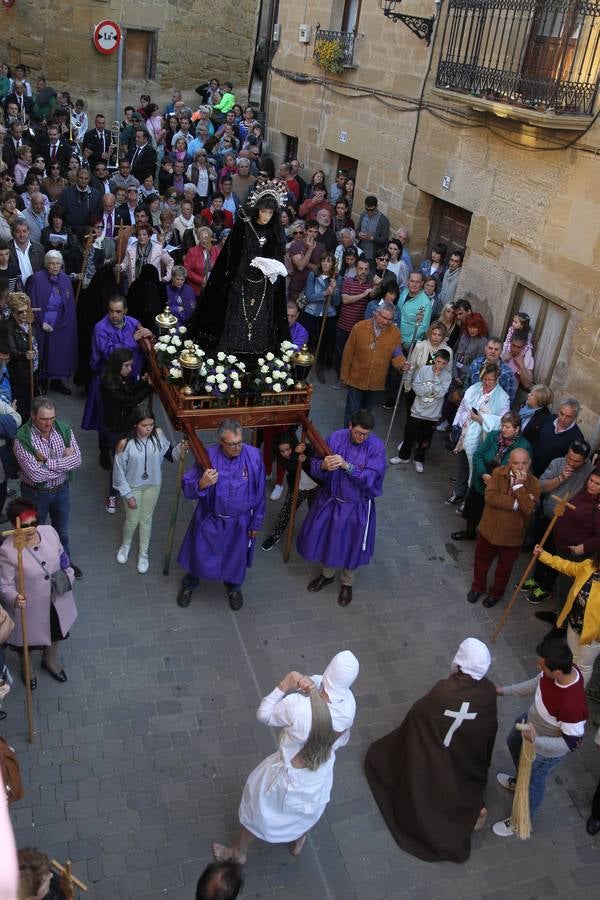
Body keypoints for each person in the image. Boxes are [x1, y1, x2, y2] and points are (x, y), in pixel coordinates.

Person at [212, 651, 359, 863]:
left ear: (328, 671)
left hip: (287, 776)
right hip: (319, 772)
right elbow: (340, 737)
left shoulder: (297, 708)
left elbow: (264, 714)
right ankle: (298, 839)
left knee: (258, 811)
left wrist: (286, 683)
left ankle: (237, 853)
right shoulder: (349, 707)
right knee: (305, 812)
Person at [365, 637, 496, 862]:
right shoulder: (488, 691)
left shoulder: (443, 692)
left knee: (400, 766)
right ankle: (473, 810)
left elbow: (418, 717)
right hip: (464, 754)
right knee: (460, 782)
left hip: (433, 750)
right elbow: (487, 728)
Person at [493, 637, 587, 838]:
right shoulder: (558, 674)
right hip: (531, 725)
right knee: (512, 742)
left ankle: (521, 820)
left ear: (558, 672)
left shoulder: (572, 706)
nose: (538, 666)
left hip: (543, 750)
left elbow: (570, 744)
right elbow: (537, 683)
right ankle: (519, 781)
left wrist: (536, 741)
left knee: (533, 783)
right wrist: (504, 691)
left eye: (542, 665)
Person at [190, 182, 289, 359]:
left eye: (270, 212)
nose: (266, 216)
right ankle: (232, 351)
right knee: (237, 317)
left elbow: (278, 256)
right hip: (242, 281)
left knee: (260, 319)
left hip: (264, 284)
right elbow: (232, 254)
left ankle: (256, 353)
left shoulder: (275, 232)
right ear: (257, 209)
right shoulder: (244, 225)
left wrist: (273, 268)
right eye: (263, 211)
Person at [297, 410, 386, 607]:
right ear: (350, 427)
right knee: (328, 539)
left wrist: (347, 466)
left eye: (366, 434)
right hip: (332, 500)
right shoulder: (336, 438)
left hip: (357, 506)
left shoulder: (376, 447)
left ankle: (347, 582)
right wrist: (323, 466)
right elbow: (315, 464)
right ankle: (327, 575)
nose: (361, 437)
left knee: (353, 545)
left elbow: (371, 477)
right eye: (358, 433)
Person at [176, 419, 266, 611]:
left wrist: (256, 523)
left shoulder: (254, 456)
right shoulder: (207, 456)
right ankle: (189, 583)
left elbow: (260, 493)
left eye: (240, 442)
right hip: (210, 518)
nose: (238, 447)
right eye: (232, 444)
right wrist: (202, 483)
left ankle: (233, 587)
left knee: (235, 557)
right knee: (199, 553)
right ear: (221, 443)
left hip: (239, 521)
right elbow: (187, 487)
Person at [0, 498, 77, 689]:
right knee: (27, 644)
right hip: (30, 608)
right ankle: (28, 669)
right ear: (14, 525)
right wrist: (14, 598)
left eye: (34, 523)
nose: (31, 529)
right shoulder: (8, 551)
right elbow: (4, 585)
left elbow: (63, 557)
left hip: (56, 599)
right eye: (25, 526)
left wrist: (69, 574)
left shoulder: (49, 532)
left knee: (56, 633)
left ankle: (49, 661)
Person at [13, 397, 83, 579]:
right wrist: (63, 464)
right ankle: (40, 569)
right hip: (36, 494)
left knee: (63, 532)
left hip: (61, 491)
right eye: (44, 419)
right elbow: (36, 476)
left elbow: (77, 460)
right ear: (33, 416)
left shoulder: (64, 430)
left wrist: (47, 463)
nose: (49, 423)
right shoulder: (22, 439)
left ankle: (64, 563)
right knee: (36, 533)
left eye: (52, 418)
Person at [81, 296, 152, 467]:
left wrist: (149, 335)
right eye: (111, 311)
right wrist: (132, 340)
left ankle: (123, 446)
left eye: (118, 311)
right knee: (106, 418)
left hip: (130, 378)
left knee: (126, 415)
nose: (114, 315)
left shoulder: (134, 323)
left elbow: (144, 343)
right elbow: (110, 354)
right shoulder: (100, 328)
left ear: (125, 311)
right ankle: (104, 450)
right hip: (107, 380)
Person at [113, 407, 183, 574]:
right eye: (144, 425)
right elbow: (118, 471)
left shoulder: (158, 435)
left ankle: (143, 554)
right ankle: (126, 544)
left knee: (147, 519)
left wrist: (182, 446)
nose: (148, 428)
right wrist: (127, 494)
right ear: (135, 425)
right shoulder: (124, 443)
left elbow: (171, 455)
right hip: (132, 486)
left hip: (153, 485)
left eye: (151, 424)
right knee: (132, 519)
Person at [468, 448, 540, 608]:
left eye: (524, 463)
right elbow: (490, 497)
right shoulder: (498, 473)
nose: (520, 467)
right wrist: (516, 504)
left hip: (512, 536)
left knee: (504, 569)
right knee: (481, 561)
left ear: (529, 463)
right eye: (515, 463)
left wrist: (519, 488)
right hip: (489, 529)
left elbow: (529, 509)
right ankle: (477, 587)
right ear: (509, 463)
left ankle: (496, 593)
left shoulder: (534, 484)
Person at [524, 461, 598, 608]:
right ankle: (558, 616)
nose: (592, 485)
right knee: (559, 579)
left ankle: (561, 624)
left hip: (574, 553)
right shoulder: (583, 493)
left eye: (597, 484)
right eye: (591, 480)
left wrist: (581, 548)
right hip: (561, 545)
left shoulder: (598, 506)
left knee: (566, 589)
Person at [452, 412, 532, 541]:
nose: (503, 429)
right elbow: (478, 454)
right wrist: (483, 474)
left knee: (492, 512)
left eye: (507, 427)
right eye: (502, 426)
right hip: (482, 477)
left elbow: (519, 469)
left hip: (502, 483)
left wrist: (494, 480)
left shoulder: (524, 446)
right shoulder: (494, 436)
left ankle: (488, 538)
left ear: (516, 429)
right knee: (473, 507)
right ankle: (470, 532)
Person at [531, 542, 600, 685]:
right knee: (573, 657)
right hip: (573, 624)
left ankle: (576, 692)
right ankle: (568, 683)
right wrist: (543, 555)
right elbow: (567, 566)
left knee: (584, 666)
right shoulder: (588, 566)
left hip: (593, 636)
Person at [446, 363, 510, 506]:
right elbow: (463, 407)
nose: (487, 383)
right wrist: (456, 425)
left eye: (490, 380)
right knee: (462, 464)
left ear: (497, 379)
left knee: (475, 469)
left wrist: (482, 419)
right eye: (484, 379)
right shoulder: (474, 389)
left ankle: (467, 501)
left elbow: (502, 421)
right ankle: (458, 493)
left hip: (483, 438)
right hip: (465, 433)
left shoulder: (503, 398)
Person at [100, 348, 152, 514]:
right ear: (118, 366)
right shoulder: (110, 385)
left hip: (125, 424)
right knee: (119, 464)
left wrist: (143, 381)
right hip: (116, 428)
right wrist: (149, 387)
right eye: (127, 366)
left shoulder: (120, 378)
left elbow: (130, 389)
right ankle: (112, 495)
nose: (130, 369)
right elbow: (129, 400)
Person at [340, 302, 407, 426]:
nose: (385, 322)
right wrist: (344, 376)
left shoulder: (395, 333)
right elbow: (348, 353)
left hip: (376, 382)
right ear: (376, 313)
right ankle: (346, 438)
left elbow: (397, 353)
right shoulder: (359, 328)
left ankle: (361, 438)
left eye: (389, 319)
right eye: (383, 317)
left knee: (367, 415)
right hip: (356, 379)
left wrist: (402, 364)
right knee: (352, 412)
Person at [389, 349, 452, 472]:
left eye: (443, 363)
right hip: (417, 411)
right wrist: (431, 388)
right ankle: (403, 457)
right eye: (438, 361)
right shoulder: (424, 370)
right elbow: (416, 388)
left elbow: (441, 393)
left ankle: (419, 459)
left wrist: (436, 379)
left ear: (447, 363)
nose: (439, 365)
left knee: (425, 440)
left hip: (433, 415)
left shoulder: (447, 377)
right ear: (434, 359)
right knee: (409, 435)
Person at [28, 250, 77, 394]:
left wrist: (64, 322)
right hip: (42, 321)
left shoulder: (66, 279)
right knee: (43, 352)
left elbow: (69, 304)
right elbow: (32, 302)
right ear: (46, 264)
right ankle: (41, 382)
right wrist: (41, 321)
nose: (55, 266)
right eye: (51, 263)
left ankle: (57, 381)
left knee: (59, 352)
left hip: (61, 322)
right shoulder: (36, 278)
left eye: (58, 264)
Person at [261, 433, 320, 552]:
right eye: (282, 451)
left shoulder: (307, 449)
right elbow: (292, 467)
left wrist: (306, 460)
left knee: (316, 513)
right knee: (286, 512)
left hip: (315, 487)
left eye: (288, 449)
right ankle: (276, 535)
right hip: (297, 488)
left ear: (294, 445)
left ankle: (316, 537)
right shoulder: (283, 458)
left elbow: (318, 465)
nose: (285, 453)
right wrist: (295, 454)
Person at [0, 291, 38, 421]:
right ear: (13, 312)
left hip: (30, 371)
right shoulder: (7, 327)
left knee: (30, 404)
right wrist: (24, 355)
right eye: (20, 312)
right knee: (21, 405)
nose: (24, 314)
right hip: (18, 374)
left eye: (26, 311)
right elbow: (10, 350)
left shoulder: (29, 323)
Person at [530, 398, 584, 477]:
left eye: (568, 417)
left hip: (547, 475)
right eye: (561, 414)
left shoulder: (577, 437)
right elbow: (536, 439)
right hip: (530, 465)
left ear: (575, 417)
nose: (563, 419)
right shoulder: (549, 418)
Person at [356, 195, 389, 262]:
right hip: (360, 250)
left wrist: (372, 238)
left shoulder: (383, 220)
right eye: (367, 209)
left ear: (376, 206)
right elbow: (357, 231)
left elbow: (385, 240)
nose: (369, 212)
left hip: (372, 255)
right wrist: (358, 235)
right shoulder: (363, 215)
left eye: (372, 210)